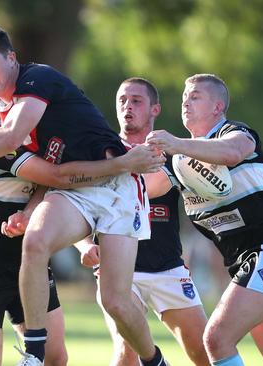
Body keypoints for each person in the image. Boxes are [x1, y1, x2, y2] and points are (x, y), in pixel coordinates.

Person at [0, 25, 169, 366]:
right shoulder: (2, 130)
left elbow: (16, 142)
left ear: (12, 59)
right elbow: (53, 176)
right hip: (72, 191)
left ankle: (154, 361)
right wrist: (30, 212)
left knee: (116, 302)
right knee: (34, 242)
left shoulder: (36, 80)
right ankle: (33, 353)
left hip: (118, 188)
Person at [146, 74, 263, 366]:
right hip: (248, 261)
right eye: (184, 98)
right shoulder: (178, 161)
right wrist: (113, 171)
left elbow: (232, 153)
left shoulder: (235, 133)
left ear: (218, 106)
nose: (186, 102)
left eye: (195, 97)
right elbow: (148, 187)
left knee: (216, 338)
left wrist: (176, 143)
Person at [74, 77, 209, 365]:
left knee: (205, 352)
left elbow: (152, 185)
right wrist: (84, 244)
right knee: (126, 352)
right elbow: (71, 202)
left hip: (167, 268)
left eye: (136, 101)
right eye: (122, 100)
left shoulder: (170, 152)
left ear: (155, 109)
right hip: (119, 273)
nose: (127, 107)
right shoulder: (100, 151)